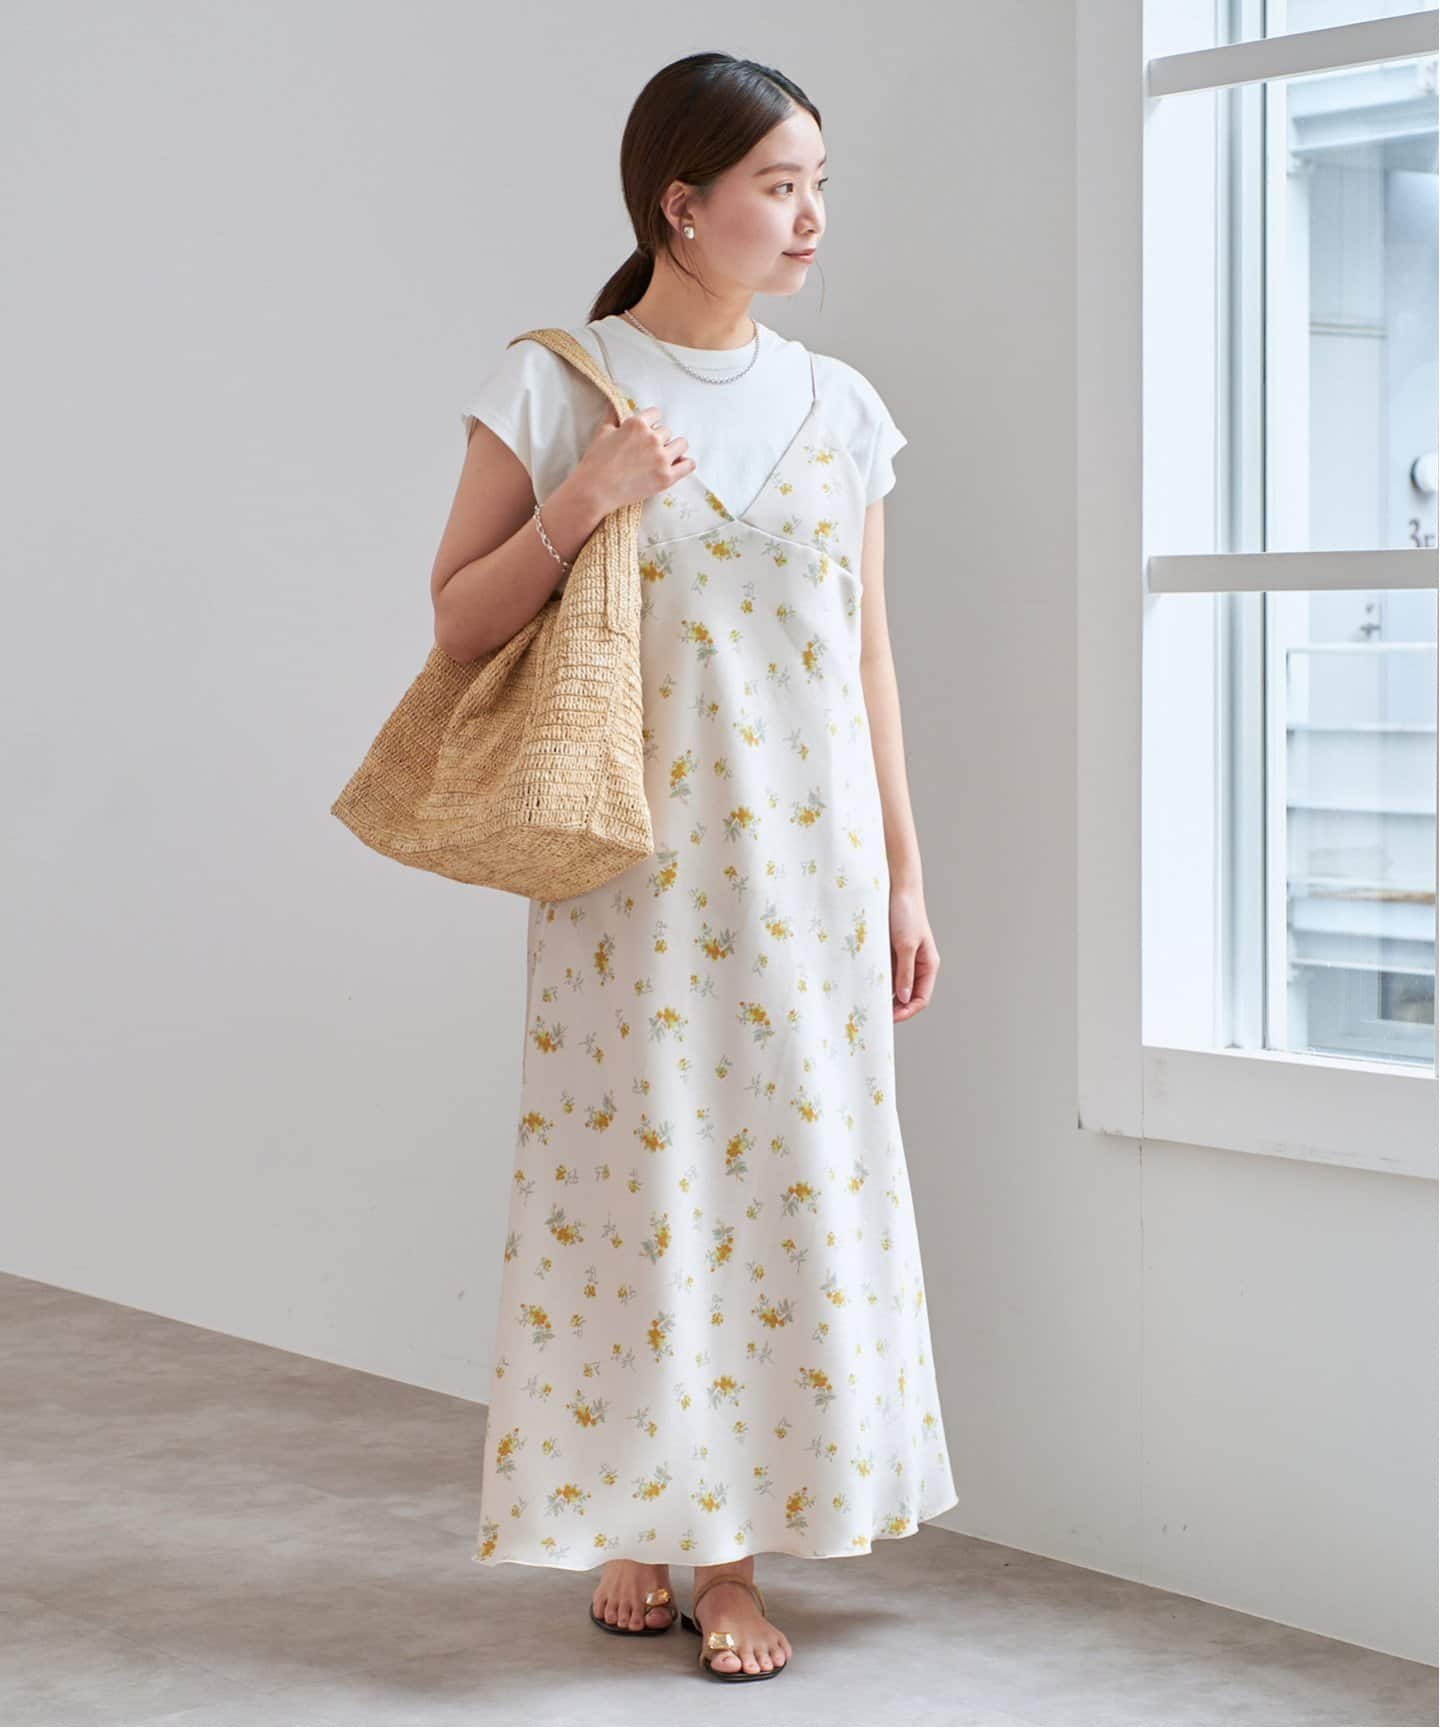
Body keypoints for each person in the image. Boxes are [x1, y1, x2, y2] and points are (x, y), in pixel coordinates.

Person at [431, 51, 957, 1684]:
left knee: (782, 1194)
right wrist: (586, 499)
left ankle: (728, 1555)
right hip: (630, 880)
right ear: (682, 203)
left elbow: (868, 660)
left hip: (809, 878)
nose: (811, 219)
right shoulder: (561, 384)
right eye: (779, 187)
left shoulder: (842, 408)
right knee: (645, 1193)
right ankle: (650, 1526)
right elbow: (457, 622)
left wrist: (906, 877)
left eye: (819, 186)